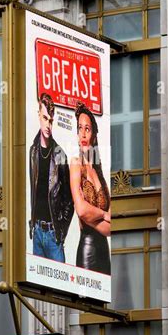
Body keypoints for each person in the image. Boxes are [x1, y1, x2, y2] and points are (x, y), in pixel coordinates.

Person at [29, 93, 73, 261]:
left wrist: (61, 232)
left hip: (54, 234)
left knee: (61, 286)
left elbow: (69, 199)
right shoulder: (33, 152)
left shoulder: (60, 155)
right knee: (38, 287)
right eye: (45, 118)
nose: (48, 124)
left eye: (51, 120)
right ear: (39, 115)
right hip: (37, 233)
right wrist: (33, 226)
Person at [70, 101, 111, 275]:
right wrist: (103, 214)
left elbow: (111, 229)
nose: (83, 133)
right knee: (85, 302)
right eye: (80, 128)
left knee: (106, 302)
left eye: (87, 129)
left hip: (105, 253)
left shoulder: (99, 172)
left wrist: (90, 214)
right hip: (87, 251)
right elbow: (81, 211)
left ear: (93, 134)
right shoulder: (75, 164)